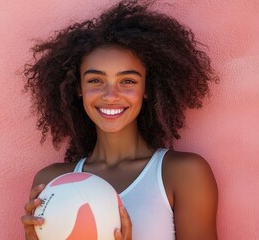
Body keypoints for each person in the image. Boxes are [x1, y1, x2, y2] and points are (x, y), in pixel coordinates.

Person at [21, 0, 219, 239]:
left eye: (127, 81)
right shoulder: (51, 182)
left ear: (147, 87)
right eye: (95, 80)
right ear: (78, 88)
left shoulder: (183, 174)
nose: (110, 96)